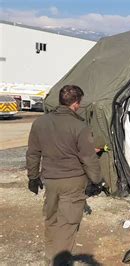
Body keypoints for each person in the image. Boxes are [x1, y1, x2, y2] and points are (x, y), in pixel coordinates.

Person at [26, 85, 102, 263]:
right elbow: (88, 157)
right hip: (72, 181)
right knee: (67, 224)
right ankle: (59, 262)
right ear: (76, 103)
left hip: (50, 180)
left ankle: (50, 258)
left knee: (51, 219)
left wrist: (33, 177)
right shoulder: (80, 126)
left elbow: (33, 152)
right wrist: (97, 179)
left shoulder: (40, 122)